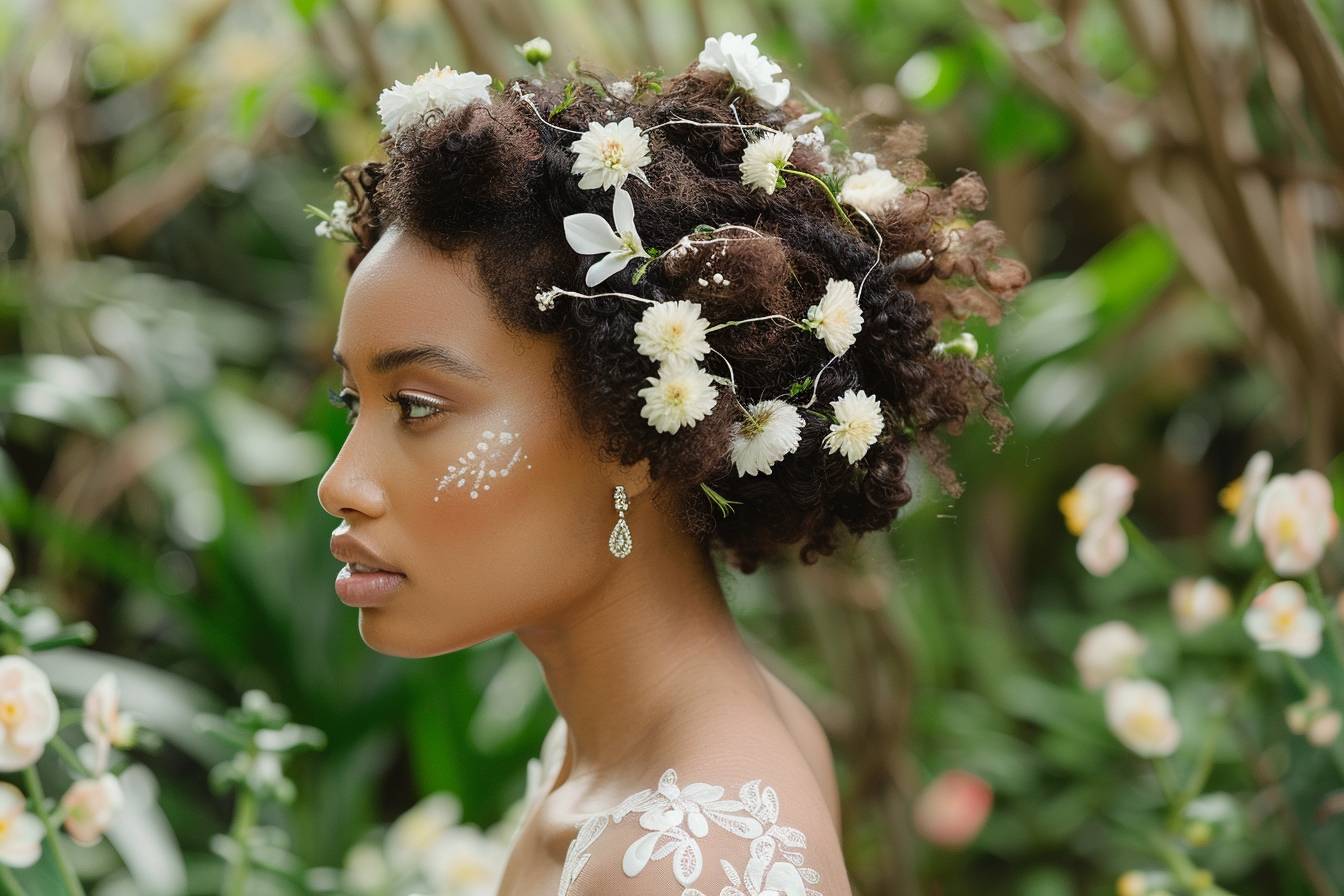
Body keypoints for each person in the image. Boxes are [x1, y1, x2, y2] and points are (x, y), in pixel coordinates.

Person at [314, 30, 1027, 896]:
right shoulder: (616, 757)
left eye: (419, 407)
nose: (340, 484)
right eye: (356, 404)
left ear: (636, 434)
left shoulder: (689, 860)